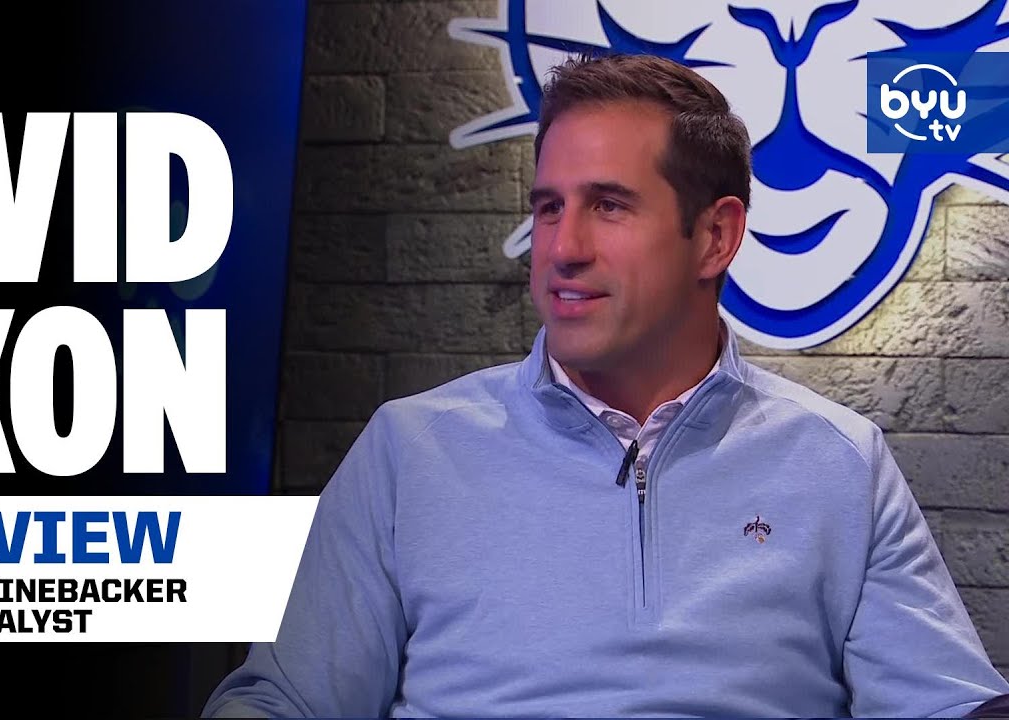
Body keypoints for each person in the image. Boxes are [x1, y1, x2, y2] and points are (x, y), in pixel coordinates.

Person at [203, 53, 1009, 717]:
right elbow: (281, 700)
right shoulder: (408, 451)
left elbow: (945, 704)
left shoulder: (840, 462)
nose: (563, 248)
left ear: (716, 236)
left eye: (610, 206)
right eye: (549, 208)